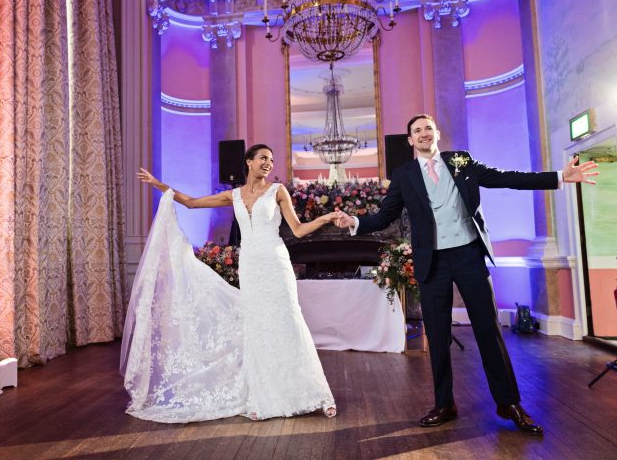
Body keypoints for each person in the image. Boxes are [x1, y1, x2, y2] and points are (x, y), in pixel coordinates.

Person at [335, 114, 598, 435]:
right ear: (409, 140)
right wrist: (356, 222)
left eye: (427, 128)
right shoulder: (403, 175)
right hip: (432, 262)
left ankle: (509, 402)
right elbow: (386, 216)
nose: (422, 134)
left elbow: (504, 177)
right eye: (416, 130)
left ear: (437, 134)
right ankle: (444, 403)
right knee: (438, 334)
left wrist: (558, 177)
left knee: (489, 330)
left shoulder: (460, 160)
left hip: (469, 256)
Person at [121, 144, 342, 423]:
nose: (268, 163)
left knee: (289, 322)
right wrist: (159, 185)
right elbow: (191, 202)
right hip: (249, 264)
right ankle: (263, 394)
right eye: (263, 158)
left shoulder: (278, 191)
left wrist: (324, 218)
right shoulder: (233, 196)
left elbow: (297, 229)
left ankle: (316, 394)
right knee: (257, 327)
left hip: (275, 263)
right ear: (249, 162)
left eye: (271, 160)